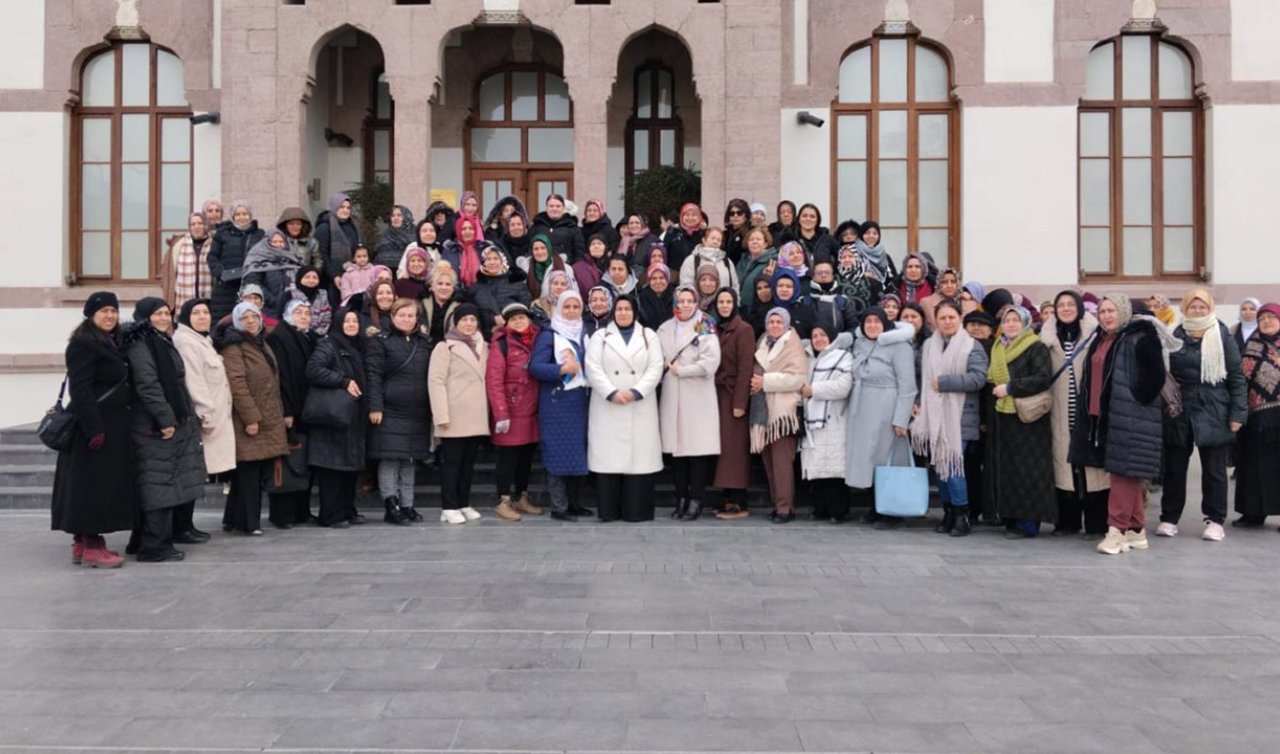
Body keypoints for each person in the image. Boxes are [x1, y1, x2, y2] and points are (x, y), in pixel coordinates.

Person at [1070, 295, 1170, 555]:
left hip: (1131, 416)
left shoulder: (1140, 336)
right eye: (1102, 311)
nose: (1106, 315)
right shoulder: (1101, 339)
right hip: (1104, 416)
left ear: (1123, 311)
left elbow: (1156, 376)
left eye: (1111, 310)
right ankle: (1136, 531)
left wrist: (1135, 401)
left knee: (1121, 475)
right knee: (1128, 474)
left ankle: (1116, 531)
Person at [52, 292, 134, 568]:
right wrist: (94, 429)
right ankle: (93, 545)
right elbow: (81, 389)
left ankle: (80, 541)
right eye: (103, 311)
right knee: (93, 488)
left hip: (108, 425)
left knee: (87, 485)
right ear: (91, 314)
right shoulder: (83, 344)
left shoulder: (110, 341)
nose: (110, 316)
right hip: (93, 428)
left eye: (113, 310)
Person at [1158, 289, 1248, 541]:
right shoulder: (1174, 334)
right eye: (1193, 307)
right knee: (1174, 469)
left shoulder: (1221, 335)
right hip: (1179, 410)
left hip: (1214, 409)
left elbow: (1237, 378)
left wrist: (1237, 414)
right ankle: (1169, 517)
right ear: (1184, 309)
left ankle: (1215, 519)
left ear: (1209, 309)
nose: (1197, 311)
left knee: (1214, 470)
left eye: (1202, 307)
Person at [122, 298, 207, 562]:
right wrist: (166, 419)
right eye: (156, 314)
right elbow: (148, 385)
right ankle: (154, 546)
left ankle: (142, 541)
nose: (163, 318)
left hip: (168, 422)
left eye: (165, 313)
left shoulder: (159, 340)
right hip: (153, 426)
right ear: (144, 317)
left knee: (163, 481)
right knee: (158, 485)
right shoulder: (140, 343)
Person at [585, 294, 665, 522]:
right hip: (607, 404)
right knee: (608, 458)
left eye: (627, 309)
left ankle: (636, 510)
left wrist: (636, 391)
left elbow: (655, 367)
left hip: (639, 404)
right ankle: (609, 510)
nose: (622, 313)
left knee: (639, 460)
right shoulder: (600, 336)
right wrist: (611, 392)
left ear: (635, 312)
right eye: (619, 309)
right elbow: (592, 367)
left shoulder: (649, 336)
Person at [912, 301, 988, 536]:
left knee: (954, 468)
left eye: (951, 317)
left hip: (960, 418)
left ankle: (961, 515)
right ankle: (948, 512)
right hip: (933, 416)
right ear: (936, 320)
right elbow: (922, 379)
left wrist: (946, 382)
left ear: (959, 318)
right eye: (942, 318)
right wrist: (918, 402)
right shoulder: (928, 345)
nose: (947, 322)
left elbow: (978, 379)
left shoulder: (972, 346)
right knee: (939, 468)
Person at [215, 301, 288, 535]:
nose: (250, 321)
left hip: (265, 414)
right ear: (237, 321)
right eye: (245, 317)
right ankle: (249, 523)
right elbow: (237, 384)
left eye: (254, 317)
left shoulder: (259, 342)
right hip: (248, 418)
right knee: (249, 472)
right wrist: (251, 418)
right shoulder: (234, 346)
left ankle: (233, 519)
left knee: (249, 471)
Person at [1040, 290, 1109, 538]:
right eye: (1061, 305)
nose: (1066, 308)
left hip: (1089, 412)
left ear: (1080, 308)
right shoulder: (1046, 338)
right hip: (1059, 411)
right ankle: (1067, 522)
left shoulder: (1096, 335)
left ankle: (1096, 523)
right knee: (1064, 467)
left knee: (1093, 469)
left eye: (1071, 304)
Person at [985, 305, 1056, 538]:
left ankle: (1027, 523)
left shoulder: (1034, 346)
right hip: (1002, 417)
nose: (1011, 324)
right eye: (1007, 321)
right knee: (1007, 470)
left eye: (1016, 320)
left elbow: (1043, 378)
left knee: (1028, 471)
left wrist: (1011, 388)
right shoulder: (997, 347)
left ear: (1025, 322)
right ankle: (1009, 519)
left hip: (1028, 419)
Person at [844, 307, 917, 527]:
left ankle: (892, 511)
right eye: (868, 321)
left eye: (877, 321)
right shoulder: (860, 344)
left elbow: (908, 385)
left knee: (888, 458)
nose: (872, 325)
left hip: (887, 406)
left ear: (885, 324)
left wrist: (901, 419)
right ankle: (876, 506)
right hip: (863, 407)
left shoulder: (899, 346)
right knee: (869, 459)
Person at [366, 298, 433, 525]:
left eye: (411, 315)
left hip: (418, 411)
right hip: (390, 409)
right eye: (402, 315)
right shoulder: (380, 341)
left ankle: (407, 505)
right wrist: (375, 406)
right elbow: (373, 375)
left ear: (417, 318)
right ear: (392, 317)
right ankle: (391, 505)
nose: (406, 319)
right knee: (390, 459)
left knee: (409, 459)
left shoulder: (425, 342)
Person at [658, 286, 722, 520]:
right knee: (677, 454)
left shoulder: (705, 324)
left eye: (689, 301)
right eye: (680, 300)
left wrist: (683, 370)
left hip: (697, 395)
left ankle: (696, 500)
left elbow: (710, 363)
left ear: (696, 303)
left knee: (697, 452)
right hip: (673, 394)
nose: (685, 305)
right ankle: (681, 498)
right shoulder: (665, 328)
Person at [529, 289, 593, 521]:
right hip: (557, 404)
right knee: (558, 454)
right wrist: (561, 370)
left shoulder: (585, 333)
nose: (572, 311)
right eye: (567, 307)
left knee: (578, 454)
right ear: (558, 309)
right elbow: (535, 367)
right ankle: (559, 506)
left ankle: (574, 503)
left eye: (576, 307)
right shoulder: (549, 335)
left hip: (581, 403)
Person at [171, 298, 232, 543]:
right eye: (195, 313)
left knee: (197, 475)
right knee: (190, 474)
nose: (202, 316)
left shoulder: (203, 340)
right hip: (203, 419)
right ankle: (181, 526)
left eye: (205, 312)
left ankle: (186, 524)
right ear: (187, 317)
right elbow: (194, 382)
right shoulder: (185, 342)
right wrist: (206, 414)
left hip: (215, 416)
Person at [304, 304, 367, 528]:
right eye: (347, 321)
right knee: (332, 469)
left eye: (355, 321)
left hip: (351, 416)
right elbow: (313, 370)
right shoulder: (328, 345)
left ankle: (347, 510)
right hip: (332, 417)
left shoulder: (357, 346)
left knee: (349, 467)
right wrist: (343, 381)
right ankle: (330, 514)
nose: (351, 325)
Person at [429, 304, 489, 525]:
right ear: (456, 322)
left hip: (476, 414)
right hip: (454, 414)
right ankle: (449, 506)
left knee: (468, 463)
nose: (469, 324)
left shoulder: (484, 346)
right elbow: (436, 382)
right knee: (452, 463)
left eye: (472, 319)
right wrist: (441, 414)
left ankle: (463, 502)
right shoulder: (445, 347)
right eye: (464, 320)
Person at [486, 303, 546, 522]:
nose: (518, 322)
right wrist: (501, 413)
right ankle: (503, 500)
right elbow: (494, 381)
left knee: (526, 457)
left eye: (521, 318)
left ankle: (522, 496)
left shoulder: (539, 340)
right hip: (511, 410)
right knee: (508, 458)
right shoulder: (501, 345)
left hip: (533, 410)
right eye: (513, 319)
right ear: (507, 323)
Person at [751, 308, 809, 523]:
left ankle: (786, 508)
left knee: (782, 463)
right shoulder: (762, 342)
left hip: (783, 413)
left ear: (786, 324)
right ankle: (778, 504)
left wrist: (765, 382)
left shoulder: (792, 344)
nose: (774, 325)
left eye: (778, 321)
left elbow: (797, 378)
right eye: (771, 321)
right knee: (769, 463)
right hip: (764, 411)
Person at [264, 298, 316, 528]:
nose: (304, 316)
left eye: (307, 313)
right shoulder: (279, 337)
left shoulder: (304, 336)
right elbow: (281, 377)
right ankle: (282, 515)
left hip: (304, 408)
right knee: (285, 465)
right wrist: (287, 410)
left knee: (300, 463)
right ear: (288, 314)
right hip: (289, 410)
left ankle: (301, 512)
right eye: (299, 312)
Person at [800, 323, 855, 523]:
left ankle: (838, 511)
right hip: (813, 421)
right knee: (818, 469)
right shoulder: (809, 359)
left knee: (834, 469)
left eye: (823, 335)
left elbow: (843, 386)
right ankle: (820, 508)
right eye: (815, 336)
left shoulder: (843, 356)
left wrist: (814, 390)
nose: (819, 339)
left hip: (834, 418)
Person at [710, 289, 756, 520]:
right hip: (717, 394)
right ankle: (728, 497)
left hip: (733, 396)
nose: (725, 305)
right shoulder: (715, 328)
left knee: (734, 451)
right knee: (724, 449)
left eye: (729, 302)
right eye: (721, 302)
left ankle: (739, 501)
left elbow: (746, 367)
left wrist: (740, 402)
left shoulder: (743, 329)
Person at [1234, 302, 1280, 528]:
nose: (1267, 322)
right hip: (1257, 417)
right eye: (1263, 319)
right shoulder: (1252, 345)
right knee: (1254, 466)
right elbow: (1241, 380)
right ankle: (1253, 512)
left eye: (1272, 317)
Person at [207, 200, 264, 321]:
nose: (241, 217)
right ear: (233, 216)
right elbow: (212, 257)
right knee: (223, 322)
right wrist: (221, 273)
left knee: (248, 320)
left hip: (251, 286)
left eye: (245, 214)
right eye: (238, 214)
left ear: (250, 215)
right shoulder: (222, 234)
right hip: (226, 288)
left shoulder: (260, 234)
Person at [470, 246, 531, 338]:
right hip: (486, 336)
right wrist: (491, 319)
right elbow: (473, 313)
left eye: (496, 258)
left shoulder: (516, 283)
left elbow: (526, 309)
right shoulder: (476, 288)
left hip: (515, 336)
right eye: (488, 259)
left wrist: (507, 319)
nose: (492, 262)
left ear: (502, 261)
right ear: (483, 262)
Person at [241, 228, 301, 321]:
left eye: (281, 241)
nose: (278, 244)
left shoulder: (292, 257)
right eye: (274, 241)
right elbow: (252, 283)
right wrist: (273, 301)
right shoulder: (257, 258)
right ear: (266, 242)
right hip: (268, 309)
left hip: (293, 309)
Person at [165, 211, 212, 306]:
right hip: (184, 298)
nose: (196, 226)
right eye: (193, 224)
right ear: (189, 227)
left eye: (200, 223)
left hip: (208, 297)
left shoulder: (213, 243)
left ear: (205, 225)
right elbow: (170, 272)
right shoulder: (179, 245)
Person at [314, 193, 361, 288]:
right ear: (334, 207)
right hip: (329, 280)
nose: (345, 210)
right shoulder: (324, 227)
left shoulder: (353, 226)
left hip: (351, 277)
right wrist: (334, 275)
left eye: (348, 208)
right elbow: (321, 255)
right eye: (342, 207)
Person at [810, 260, 861, 335]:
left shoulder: (844, 301)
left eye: (827, 272)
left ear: (832, 276)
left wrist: (843, 339)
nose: (823, 275)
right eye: (819, 273)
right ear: (813, 276)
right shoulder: (804, 301)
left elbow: (853, 326)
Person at [530, 194, 585, 264]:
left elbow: (579, 251)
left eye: (558, 206)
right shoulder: (536, 227)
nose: (554, 209)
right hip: (540, 269)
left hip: (565, 269)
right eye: (551, 206)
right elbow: (529, 249)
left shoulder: (572, 227)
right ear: (546, 208)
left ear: (563, 208)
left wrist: (575, 268)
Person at [680, 226, 738, 291]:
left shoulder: (727, 262)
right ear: (704, 240)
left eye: (719, 240)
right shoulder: (691, 260)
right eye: (713, 238)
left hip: (723, 300)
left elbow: (735, 286)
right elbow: (686, 284)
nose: (715, 242)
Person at [519, 234, 574, 303]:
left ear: (549, 248)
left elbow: (573, 292)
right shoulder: (526, 269)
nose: (540, 252)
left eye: (543, 248)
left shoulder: (565, 268)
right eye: (536, 249)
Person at [736, 226, 778, 313]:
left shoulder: (772, 262)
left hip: (758, 310)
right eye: (751, 240)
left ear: (766, 243)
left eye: (758, 239)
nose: (754, 242)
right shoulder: (742, 261)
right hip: (740, 308)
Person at [768, 268, 815, 339]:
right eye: (780, 286)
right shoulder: (766, 310)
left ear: (795, 288)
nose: (784, 290)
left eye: (789, 286)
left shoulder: (805, 312)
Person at [277, 206, 321, 275]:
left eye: (298, 224)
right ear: (284, 225)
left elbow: (318, 261)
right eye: (291, 224)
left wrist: (312, 274)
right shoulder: (278, 241)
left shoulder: (311, 242)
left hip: (304, 279)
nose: (295, 227)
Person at [663, 202, 705, 272]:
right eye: (687, 215)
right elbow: (664, 253)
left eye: (694, 215)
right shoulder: (673, 232)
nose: (690, 218)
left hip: (699, 275)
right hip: (675, 276)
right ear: (681, 216)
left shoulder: (704, 233)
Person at [290, 266, 332, 336]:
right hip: (293, 335)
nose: (311, 280)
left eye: (315, 278)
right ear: (300, 278)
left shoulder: (324, 295)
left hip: (319, 335)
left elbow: (327, 318)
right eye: (307, 277)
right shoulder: (289, 294)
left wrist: (315, 335)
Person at [373, 205, 416, 271]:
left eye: (399, 215)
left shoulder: (416, 233)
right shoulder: (386, 236)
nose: (395, 218)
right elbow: (379, 258)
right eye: (393, 216)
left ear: (406, 217)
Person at [637, 262, 675, 331]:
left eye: (661, 278)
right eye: (654, 278)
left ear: (667, 279)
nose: (658, 282)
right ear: (649, 280)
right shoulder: (641, 298)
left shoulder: (676, 296)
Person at [722, 199, 752, 264]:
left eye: (739, 213)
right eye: (732, 213)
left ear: (745, 216)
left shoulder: (751, 233)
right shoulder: (725, 235)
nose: (735, 216)